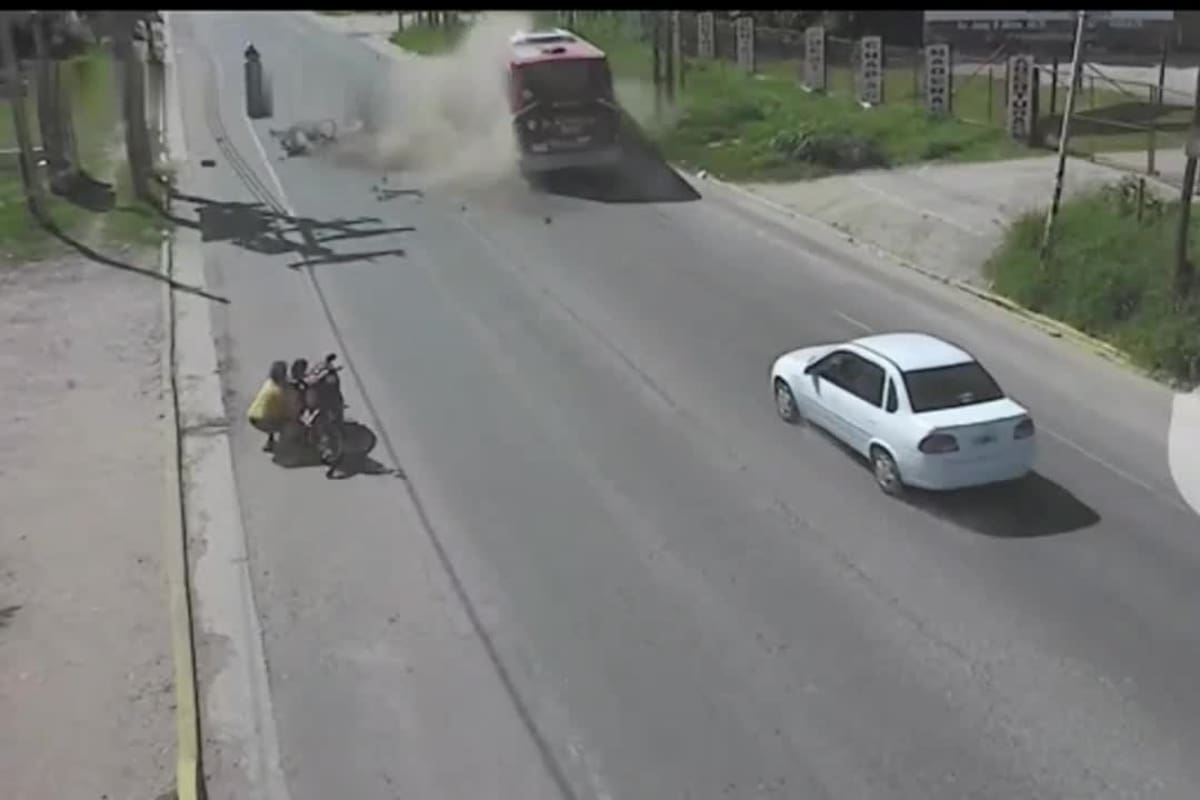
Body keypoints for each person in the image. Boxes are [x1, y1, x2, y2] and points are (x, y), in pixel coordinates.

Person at [247, 360, 301, 453]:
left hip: (253, 415)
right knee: (290, 422)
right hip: (263, 420)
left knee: (272, 415)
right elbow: (290, 411)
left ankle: (270, 442)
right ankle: (287, 447)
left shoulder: (269, 383)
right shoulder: (280, 392)